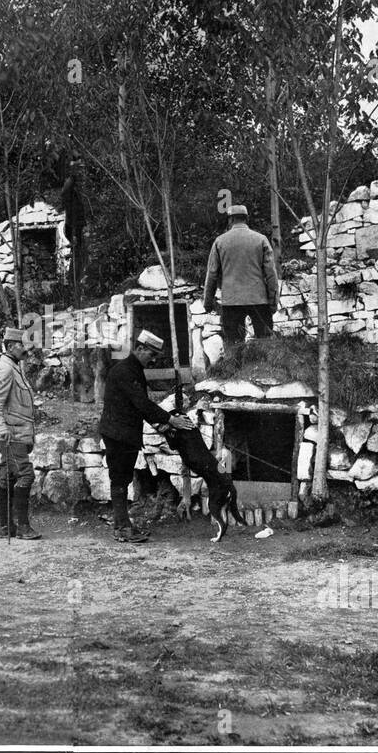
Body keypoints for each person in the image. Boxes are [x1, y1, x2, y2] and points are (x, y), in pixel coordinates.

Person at [99, 330, 196, 543]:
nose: (153, 360)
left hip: (123, 433)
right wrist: (171, 420)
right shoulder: (125, 371)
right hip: (118, 434)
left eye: (155, 357)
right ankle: (122, 529)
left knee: (122, 479)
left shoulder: (133, 369)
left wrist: (161, 425)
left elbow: (139, 407)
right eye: (151, 355)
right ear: (140, 348)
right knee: (120, 480)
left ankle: (122, 525)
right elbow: (142, 404)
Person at [0, 326, 40, 540]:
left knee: (8, 476)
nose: (25, 349)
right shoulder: (6, 369)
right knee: (25, 474)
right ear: (9, 347)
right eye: (21, 345)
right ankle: (23, 528)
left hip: (18, 433)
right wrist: (0, 427)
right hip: (10, 435)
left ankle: (6, 527)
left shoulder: (15, 367)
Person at [203, 203, 280, 353]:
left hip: (232, 301)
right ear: (247, 219)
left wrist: (208, 302)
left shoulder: (220, 241)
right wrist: (273, 301)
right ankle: (264, 372)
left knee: (233, 345)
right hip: (259, 300)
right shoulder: (261, 239)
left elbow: (211, 274)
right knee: (265, 343)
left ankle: (235, 372)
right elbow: (271, 274)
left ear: (230, 220)